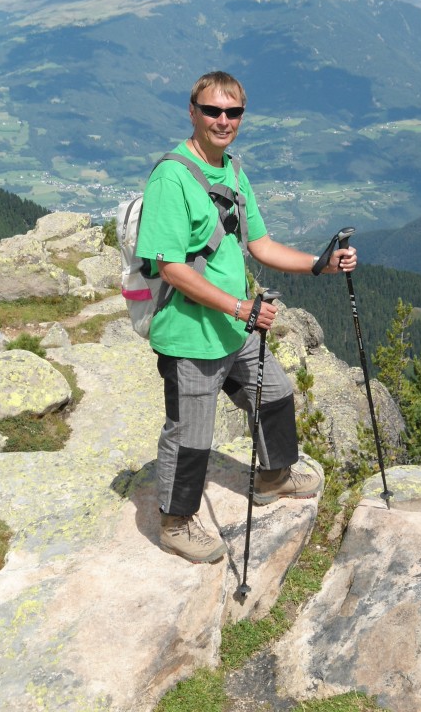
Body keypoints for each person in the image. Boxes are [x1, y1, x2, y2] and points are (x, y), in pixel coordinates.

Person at [136, 71, 357, 564]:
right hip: (192, 333)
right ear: (191, 111)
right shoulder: (172, 177)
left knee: (275, 395)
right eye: (212, 110)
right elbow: (169, 266)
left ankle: (274, 476)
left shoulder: (233, 171)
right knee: (191, 434)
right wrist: (240, 306)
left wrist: (319, 264)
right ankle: (176, 521)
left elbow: (260, 245)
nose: (222, 120)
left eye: (232, 112)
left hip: (236, 325)